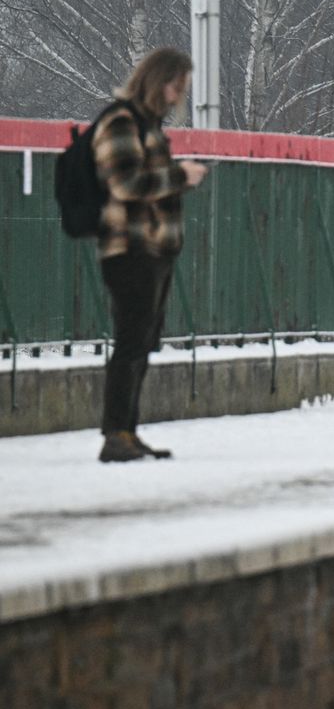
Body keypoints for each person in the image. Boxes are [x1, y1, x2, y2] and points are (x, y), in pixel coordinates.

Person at [94, 48, 208, 462]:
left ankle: (127, 430)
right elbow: (125, 184)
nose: (178, 97)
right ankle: (115, 434)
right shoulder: (121, 121)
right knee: (130, 342)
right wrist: (181, 175)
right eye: (176, 87)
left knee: (143, 341)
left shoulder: (149, 127)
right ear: (158, 81)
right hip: (129, 249)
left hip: (155, 250)